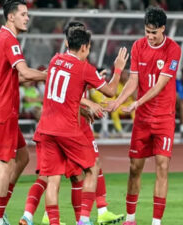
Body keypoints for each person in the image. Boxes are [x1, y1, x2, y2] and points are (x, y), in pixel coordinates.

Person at [19, 21, 124, 225]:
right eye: (89, 48)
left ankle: (52, 222)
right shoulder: (84, 68)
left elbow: (65, 90)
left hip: (45, 128)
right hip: (67, 128)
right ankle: (84, 220)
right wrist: (118, 70)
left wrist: (85, 98)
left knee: (52, 179)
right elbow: (111, 91)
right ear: (84, 47)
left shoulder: (55, 60)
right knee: (92, 167)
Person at [106, 7, 181, 225]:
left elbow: (160, 84)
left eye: (154, 32)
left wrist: (137, 103)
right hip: (143, 120)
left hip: (164, 117)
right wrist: (118, 102)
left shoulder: (173, 49)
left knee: (162, 165)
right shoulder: (138, 46)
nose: (149, 36)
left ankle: (156, 222)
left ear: (163, 29)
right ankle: (130, 219)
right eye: (147, 31)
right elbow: (133, 81)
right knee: (134, 167)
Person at [0, 1, 47, 225]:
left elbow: (16, 76)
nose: (27, 18)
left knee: (22, 157)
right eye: (23, 14)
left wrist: (41, 75)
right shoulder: (9, 39)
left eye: (27, 14)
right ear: (10, 17)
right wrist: (51, 75)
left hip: (3, 108)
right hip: (3, 110)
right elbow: (24, 72)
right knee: (6, 164)